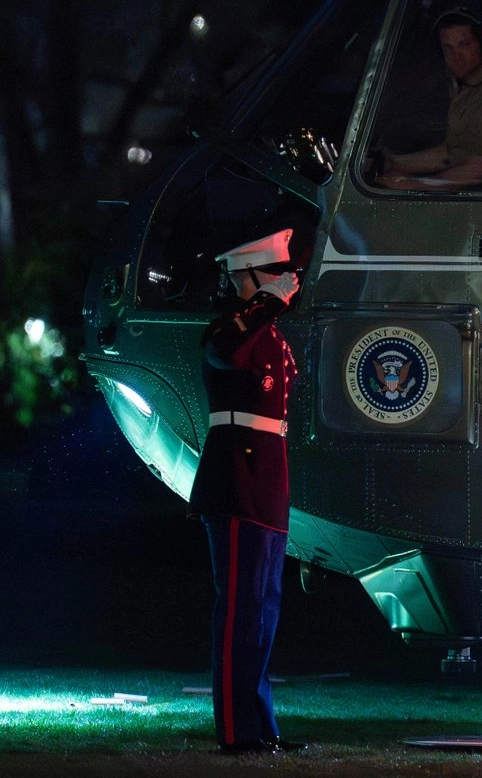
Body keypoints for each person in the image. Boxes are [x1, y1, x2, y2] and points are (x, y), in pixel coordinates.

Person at [188, 229, 307, 756]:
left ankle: (261, 725)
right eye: (273, 274)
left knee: (264, 608)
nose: (284, 283)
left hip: (266, 478)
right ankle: (237, 732)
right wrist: (264, 303)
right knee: (239, 608)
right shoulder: (229, 327)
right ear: (249, 276)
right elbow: (226, 350)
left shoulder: (269, 332)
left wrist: (266, 307)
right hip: (236, 475)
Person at [375, 8, 482, 190]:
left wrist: (411, 184)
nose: (456, 56)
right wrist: (391, 162)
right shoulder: (463, 86)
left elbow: (477, 171)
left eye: (464, 45)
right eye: (448, 48)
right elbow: (448, 154)